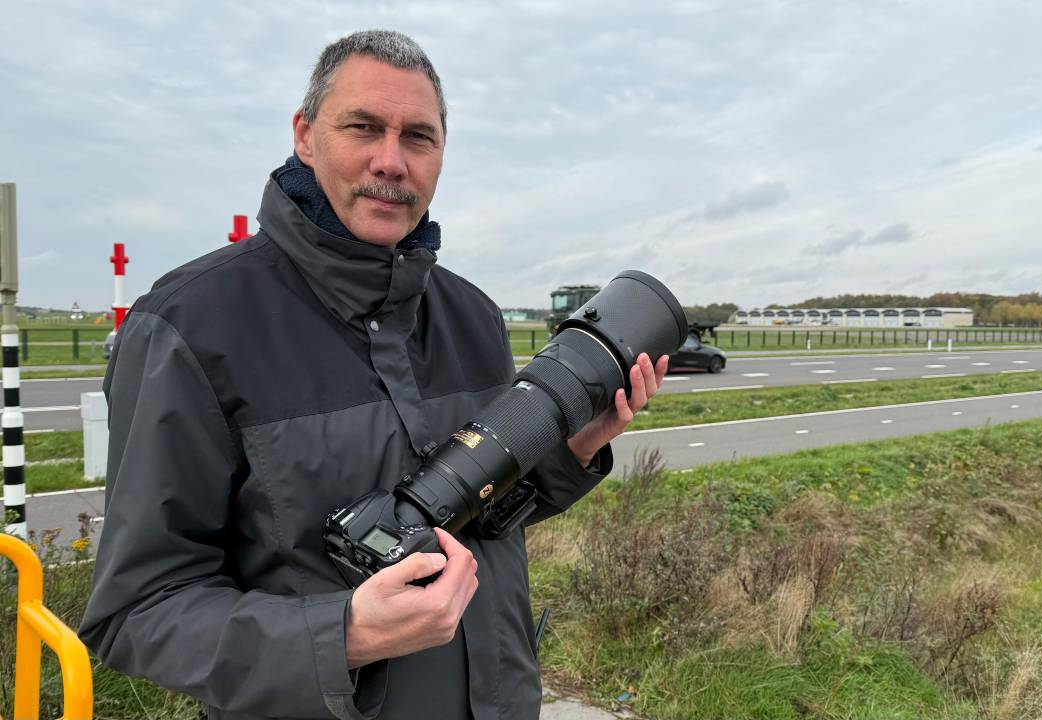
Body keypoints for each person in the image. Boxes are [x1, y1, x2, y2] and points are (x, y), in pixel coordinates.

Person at [78, 29, 667, 720]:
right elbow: (137, 610)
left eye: (418, 137)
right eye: (363, 127)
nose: (391, 161)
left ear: (442, 154)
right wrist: (342, 637)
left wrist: (570, 450)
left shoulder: (472, 314)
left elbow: (485, 519)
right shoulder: (191, 327)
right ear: (305, 135)